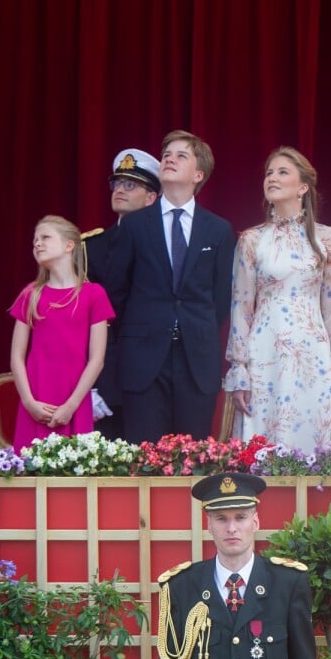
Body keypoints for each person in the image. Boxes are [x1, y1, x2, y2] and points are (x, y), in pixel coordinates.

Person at [150, 472, 324, 659]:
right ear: (208, 524)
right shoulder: (182, 587)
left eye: (240, 517)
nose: (231, 528)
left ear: (255, 522)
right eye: (221, 519)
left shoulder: (287, 584)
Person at [105, 129, 235, 443]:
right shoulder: (136, 224)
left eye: (181, 155)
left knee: (193, 460)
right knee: (144, 461)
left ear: (198, 174)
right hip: (143, 362)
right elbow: (116, 293)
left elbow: (221, 297)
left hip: (196, 361)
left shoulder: (218, 230)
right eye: (167, 154)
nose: (169, 159)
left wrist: (190, 326)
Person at [225, 147, 331, 451]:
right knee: (262, 438)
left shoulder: (328, 238)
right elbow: (241, 306)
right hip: (264, 348)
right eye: (269, 173)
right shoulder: (251, 239)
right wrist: (239, 366)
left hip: (312, 351)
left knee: (310, 438)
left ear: (303, 186)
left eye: (282, 172)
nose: (272, 178)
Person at [9, 216, 114, 451]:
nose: (37, 243)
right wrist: (29, 402)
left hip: (73, 398)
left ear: (69, 245)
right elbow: (16, 357)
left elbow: (97, 359)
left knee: (74, 476)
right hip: (36, 397)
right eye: (35, 240)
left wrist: (71, 405)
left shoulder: (93, 294)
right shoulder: (31, 295)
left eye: (45, 237)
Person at [85, 148, 161, 440]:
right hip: (108, 376)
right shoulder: (91, 247)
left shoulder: (165, 245)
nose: (120, 190)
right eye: (117, 183)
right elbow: (86, 320)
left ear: (152, 197)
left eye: (130, 185)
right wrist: (90, 384)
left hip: (156, 375)